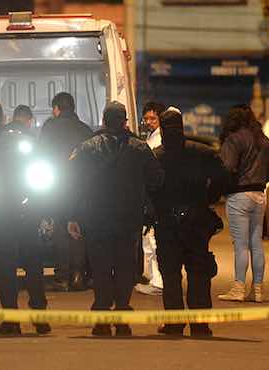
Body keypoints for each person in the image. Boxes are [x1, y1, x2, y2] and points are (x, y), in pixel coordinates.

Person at [67, 102, 164, 337]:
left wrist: (72, 215)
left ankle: (101, 319)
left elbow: (72, 183)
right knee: (124, 267)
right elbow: (157, 180)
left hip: (96, 218)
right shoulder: (140, 148)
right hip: (128, 219)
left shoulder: (86, 147)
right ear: (125, 122)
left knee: (100, 268)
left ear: (103, 120)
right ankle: (122, 318)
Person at [0, 99, 50, 335]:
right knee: (33, 264)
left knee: (5, 268)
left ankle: (12, 321)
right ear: (4, 117)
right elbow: (40, 176)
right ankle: (40, 317)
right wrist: (42, 208)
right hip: (26, 211)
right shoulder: (22, 142)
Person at [151, 107, 229, 337]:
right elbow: (223, 178)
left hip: (167, 222)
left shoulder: (156, 156)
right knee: (198, 273)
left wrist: (153, 209)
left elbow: (148, 186)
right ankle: (200, 324)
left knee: (171, 273)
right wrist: (209, 198)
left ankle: (174, 324)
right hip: (196, 220)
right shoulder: (202, 153)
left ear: (163, 130)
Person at [217, 105, 269, 303]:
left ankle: (238, 288)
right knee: (256, 243)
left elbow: (227, 167)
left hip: (239, 195)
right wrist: (260, 179)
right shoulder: (263, 139)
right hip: (259, 195)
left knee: (241, 245)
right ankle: (258, 290)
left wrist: (225, 183)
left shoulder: (234, 139)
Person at [39, 92, 93, 291]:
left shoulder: (49, 128)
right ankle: (78, 274)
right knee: (78, 230)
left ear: (56, 109)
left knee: (61, 231)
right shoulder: (86, 130)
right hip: (81, 188)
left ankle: (62, 276)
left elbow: (40, 155)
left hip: (57, 187)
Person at [136, 101, 167, 296]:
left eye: (153, 118)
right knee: (149, 241)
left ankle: (158, 282)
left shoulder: (160, 140)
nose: (149, 122)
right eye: (146, 118)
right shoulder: (152, 137)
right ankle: (156, 279)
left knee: (153, 241)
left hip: (155, 198)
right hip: (151, 197)